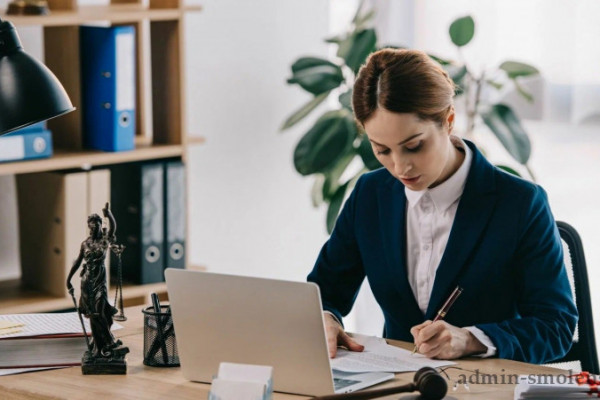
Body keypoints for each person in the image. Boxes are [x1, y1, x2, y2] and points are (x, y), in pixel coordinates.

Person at [307, 48, 577, 364]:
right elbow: (324, 291)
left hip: (485, 388)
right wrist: (325, 317)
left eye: (414, 146)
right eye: (382, 150)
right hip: (396, 385)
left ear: (448, 120)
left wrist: (473, 339)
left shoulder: (520, 203)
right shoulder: (370, 194)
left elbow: (555, 326)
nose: (400, 167)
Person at [67, 202, 127, 359]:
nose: (93, 230)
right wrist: (68, 279)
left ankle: (108, 342)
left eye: (95, 227)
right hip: (87, 281)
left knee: (99, 311)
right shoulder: (85, 243)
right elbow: (78, 262)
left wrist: (109, 214)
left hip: (99, 281)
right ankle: (100, 345)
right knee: (92, 315)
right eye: (90, 227)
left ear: (100, 225)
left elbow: (113, 228)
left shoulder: (105, 241)